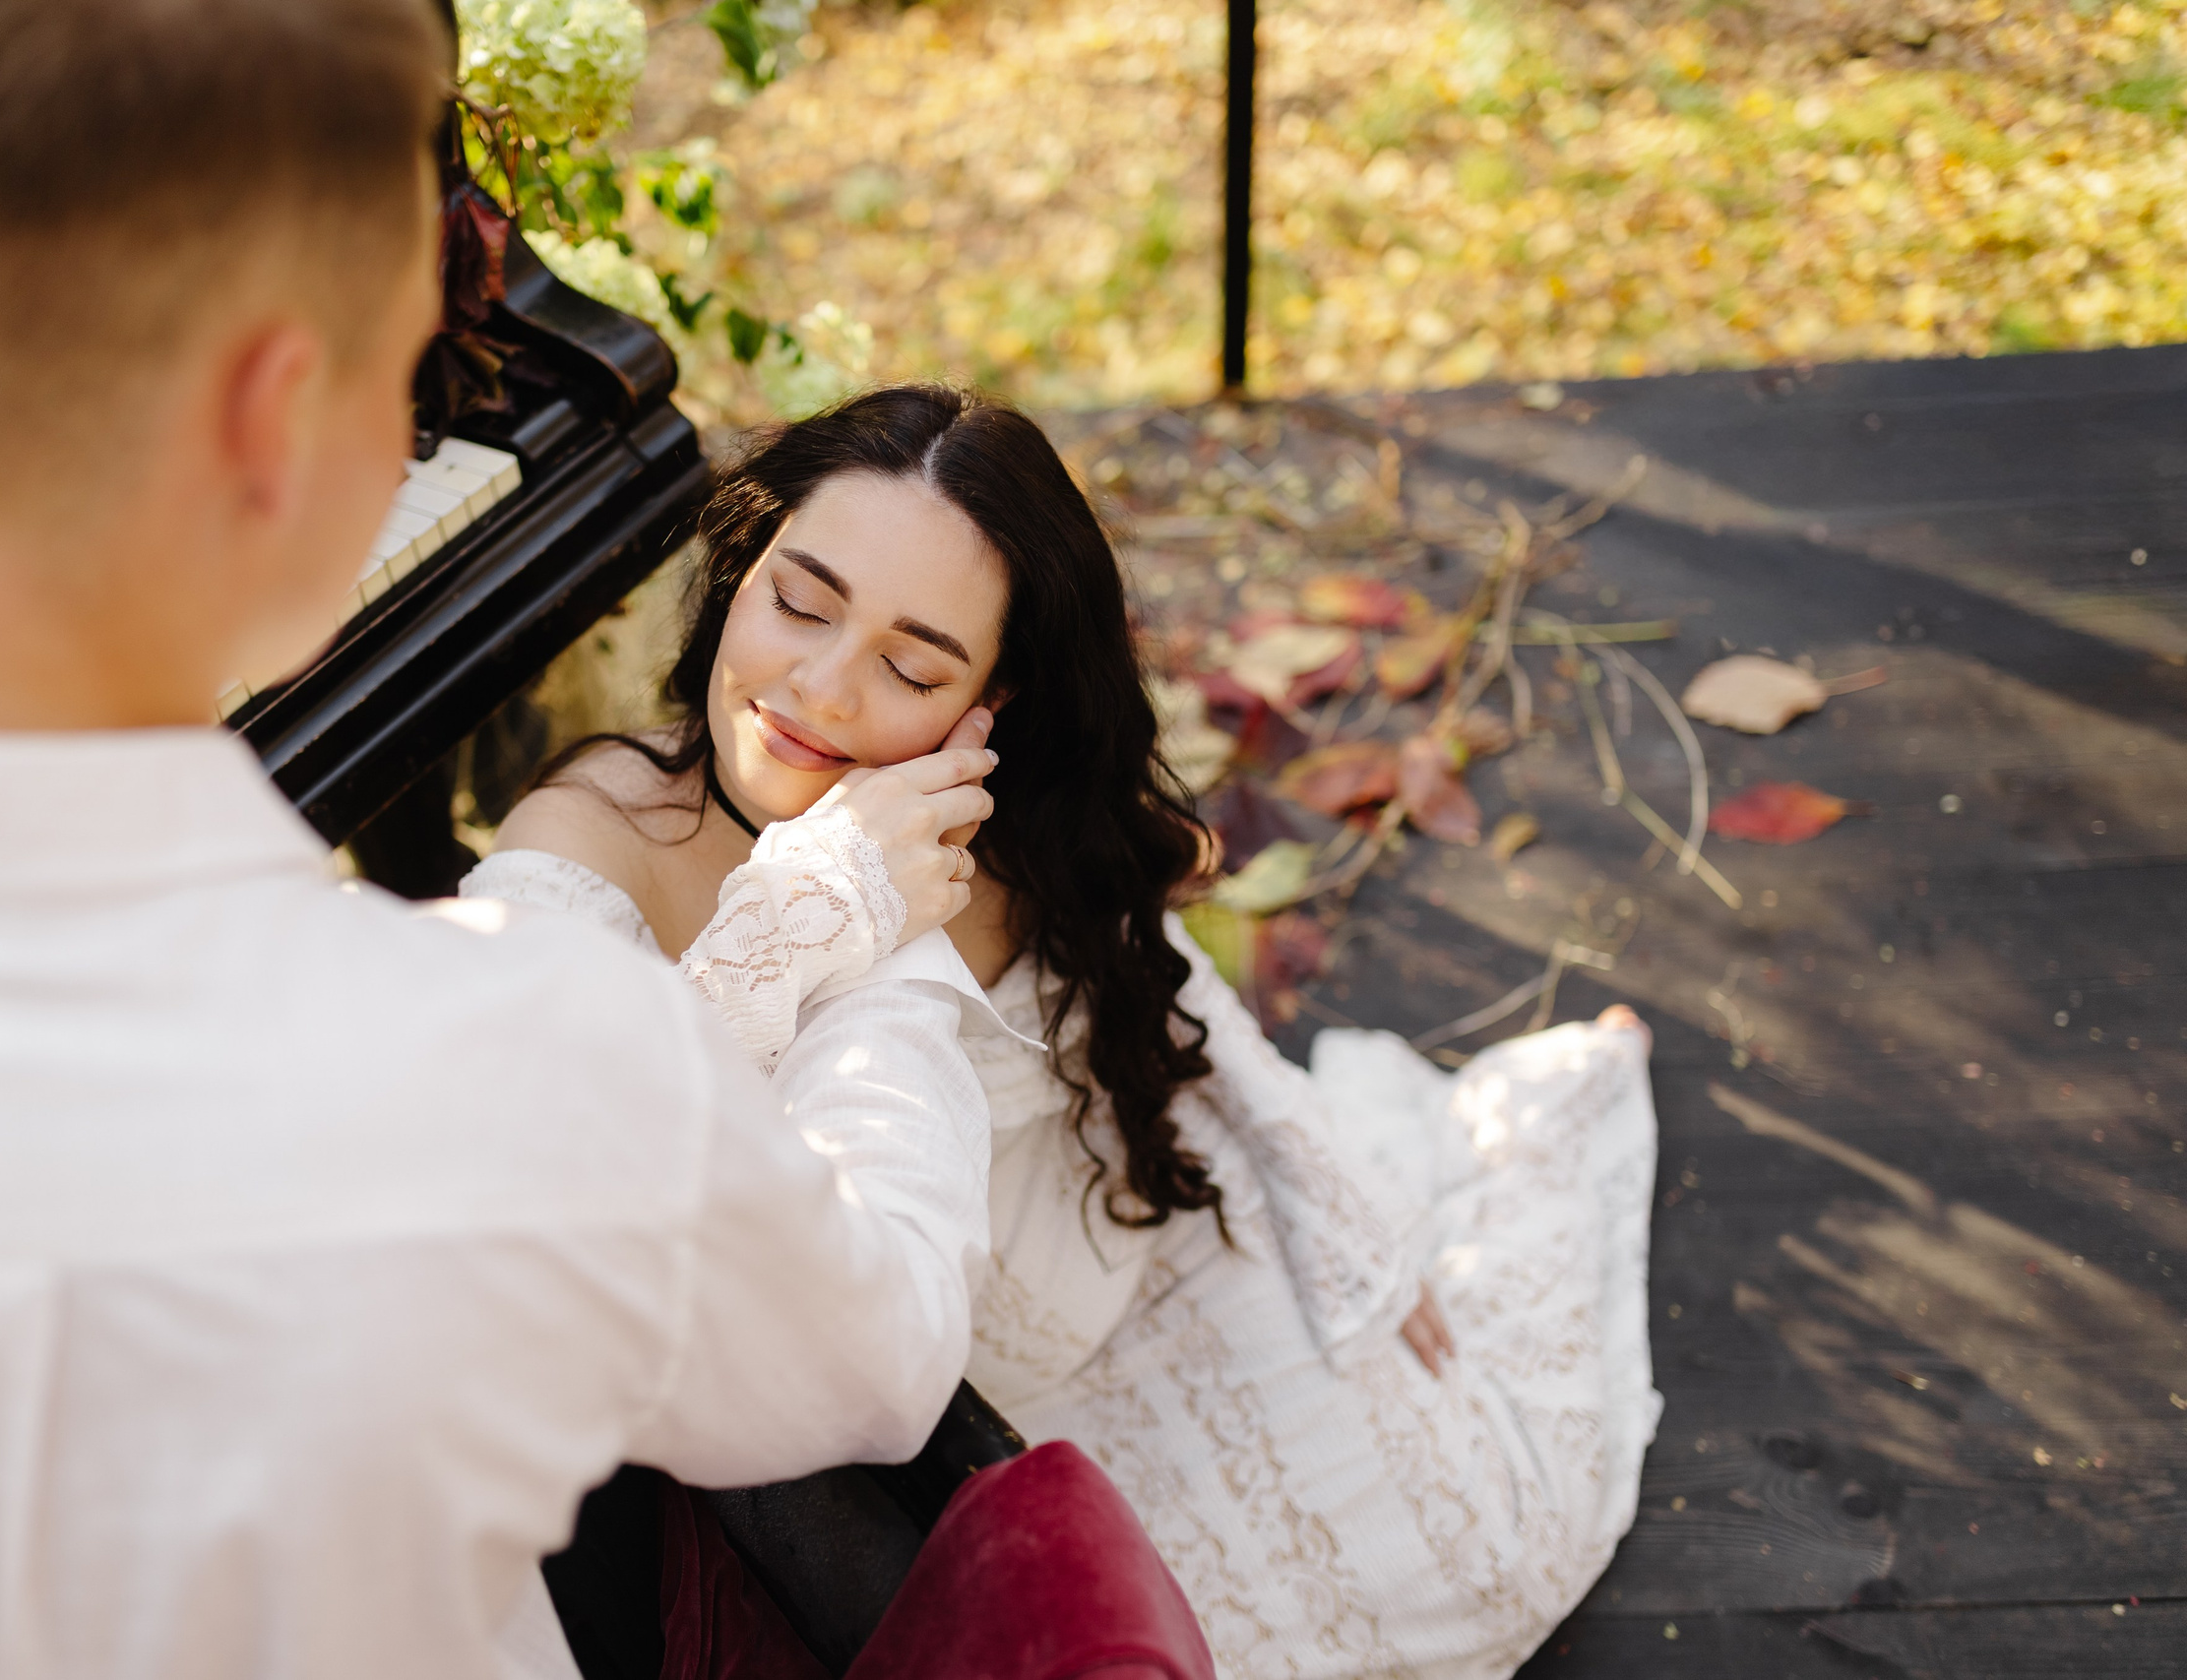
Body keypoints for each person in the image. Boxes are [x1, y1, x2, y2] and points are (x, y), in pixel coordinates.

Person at [0, 5, 1008, 1674]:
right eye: (422, 368)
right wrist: (849, 917)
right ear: (280, 409)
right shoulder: (543, 1072)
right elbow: (883, 1359)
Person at [469, 384, 1666, 1680]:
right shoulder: (590, 842)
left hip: (1156, 1220)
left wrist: (1334, 1208)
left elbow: (1168, 984)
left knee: (1488, 1556)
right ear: (740, 570)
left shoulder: (993, 804)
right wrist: (807, 913)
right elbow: (545, 1190)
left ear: (992, 700)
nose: (819, 689)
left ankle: (1537, 1124)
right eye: (799, 603)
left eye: (912, 668)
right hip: (968, 1401)